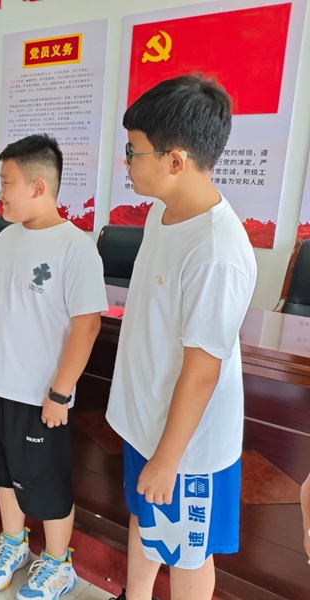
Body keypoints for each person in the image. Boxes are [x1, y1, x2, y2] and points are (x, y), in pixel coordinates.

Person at [105, 75, 257, 600]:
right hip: (147, 421)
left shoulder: (217, 252)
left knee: (188, 552)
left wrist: (169, 459)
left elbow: (202, 371)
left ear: (176, 160)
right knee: (145, 520)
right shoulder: (162, 212)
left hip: (187, 446)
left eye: (134, 151)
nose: (127, 162)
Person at [0, 135, 107, 599]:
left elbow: (87, 326)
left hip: (37, 394)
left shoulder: (75, 247)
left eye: (7, 182)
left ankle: (59, 563)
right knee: (3, 473)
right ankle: (14, 543)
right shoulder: (7, 237)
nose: (0, 193)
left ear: (39, 186)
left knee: (46, 484)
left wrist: (60, 392)